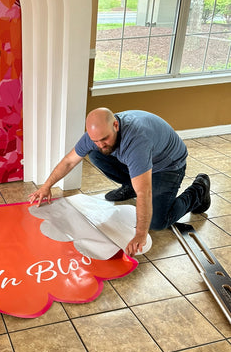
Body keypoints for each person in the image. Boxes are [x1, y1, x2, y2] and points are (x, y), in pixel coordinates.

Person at [28, 108, 211, 257]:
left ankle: (199, 189)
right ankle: (131, 184)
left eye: (104, 139)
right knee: (96, 154)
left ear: (115, 125)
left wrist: (139, 234)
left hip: (167, 166)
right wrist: (46, 187)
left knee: (157, 222)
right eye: (95, 140)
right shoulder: (97, 136)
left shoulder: (136, 142)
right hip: (143, 162)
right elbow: (69, 161)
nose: (101, 144)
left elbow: (144, 193)